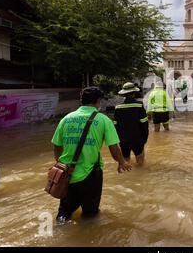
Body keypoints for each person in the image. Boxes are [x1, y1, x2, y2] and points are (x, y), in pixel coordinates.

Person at [51, 87, 132, 224]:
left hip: (66, 174)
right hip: (91, 175)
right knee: (90, 214)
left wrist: (61, 163)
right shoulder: (103, 120)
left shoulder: (66, 119)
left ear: (81, 101)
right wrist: (122, 162)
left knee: (64, 213)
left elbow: (56, 146)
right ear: (98, 101)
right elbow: (113, 148)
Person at [114, 82, 149, 165]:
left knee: (125, 161)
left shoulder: (118, 107)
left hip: (123, 140)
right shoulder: (139, 106)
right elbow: (144, 124)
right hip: (138, 139)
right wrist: (144, 138)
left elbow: (115, 125)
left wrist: (119, 139)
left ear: (124, 94)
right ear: (134, 93)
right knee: (140, 160)